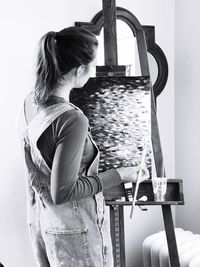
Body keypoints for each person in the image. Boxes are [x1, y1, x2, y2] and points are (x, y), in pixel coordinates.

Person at [18, 26, 149, 267]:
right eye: (93, 64)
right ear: (80, 70)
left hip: (50, 228)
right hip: (79, 239)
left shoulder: (31, 104)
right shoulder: (72, 120)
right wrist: (121, 174)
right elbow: (63, 191)